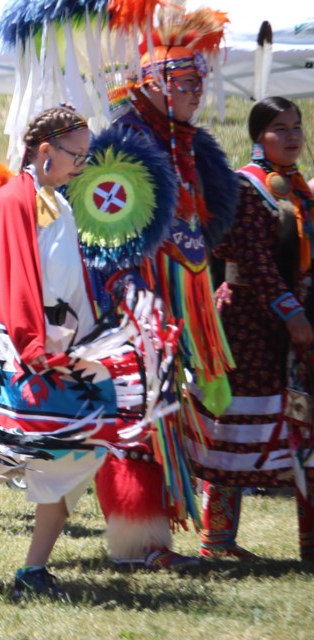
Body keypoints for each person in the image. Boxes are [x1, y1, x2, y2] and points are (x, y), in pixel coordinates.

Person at [0, 106, 128, 600]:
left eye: (85, 155)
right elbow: (16, 275)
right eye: (76, 155)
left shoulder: (51, 201)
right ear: (45, 152)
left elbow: (65, 275)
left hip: (53, 343)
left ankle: (29, 559)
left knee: (76, 449)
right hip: (21, 349)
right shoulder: (16, 200)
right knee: (68, 446)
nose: (82, 164)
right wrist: (34, 345)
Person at [90, 10, 238, 570]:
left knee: (168, 412)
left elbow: (203, 221)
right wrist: (130, 295)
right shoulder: (124, 141)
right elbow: (103, 230)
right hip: (135, 306)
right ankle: (137, 544)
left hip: (183, 303)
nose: (195, 93)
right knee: (138, 417)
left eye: (200, 82)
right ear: (153, 83)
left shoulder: (189, 143)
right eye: (184, 83)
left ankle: (158, 540)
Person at [191, 97, 314, 562]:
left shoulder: (298, 188)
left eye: (297, 126)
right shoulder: (246, 187)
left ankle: (308, 544)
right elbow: (256, 263)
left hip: (294, 325)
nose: (292, 135)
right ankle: (217, 540)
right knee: (233, 428)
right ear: (258, 135)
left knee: (300, 428)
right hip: (246, 323)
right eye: (279, 128)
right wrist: (291, 312)